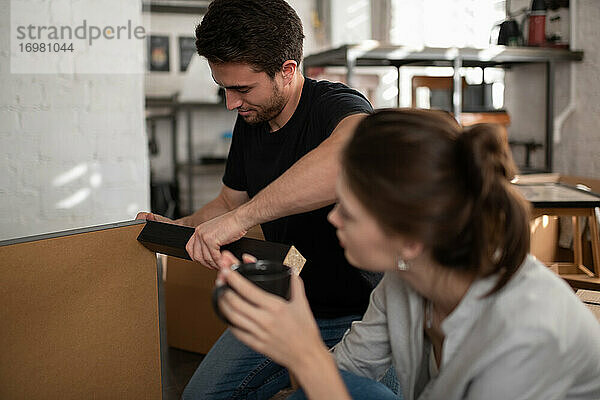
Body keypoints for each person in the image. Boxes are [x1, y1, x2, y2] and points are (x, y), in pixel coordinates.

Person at [215, 109, 600, 400]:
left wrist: (304, 353)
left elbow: (320, 373)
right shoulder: (405, 277)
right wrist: (281, 333)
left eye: (348, 211)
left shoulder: (525, 334)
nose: (333, 218)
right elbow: (338, 375)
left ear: (410, 238)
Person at [137, 0, 384, 398]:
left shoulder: (334, 105)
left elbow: (353, 154)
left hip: (363, 315)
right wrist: (180, 229)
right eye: (224, 89)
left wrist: (241, 219)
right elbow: (228, 203)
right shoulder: (251, 120)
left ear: (287, 70)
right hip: (284, 303)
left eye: (242, 89)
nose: (231, 103)